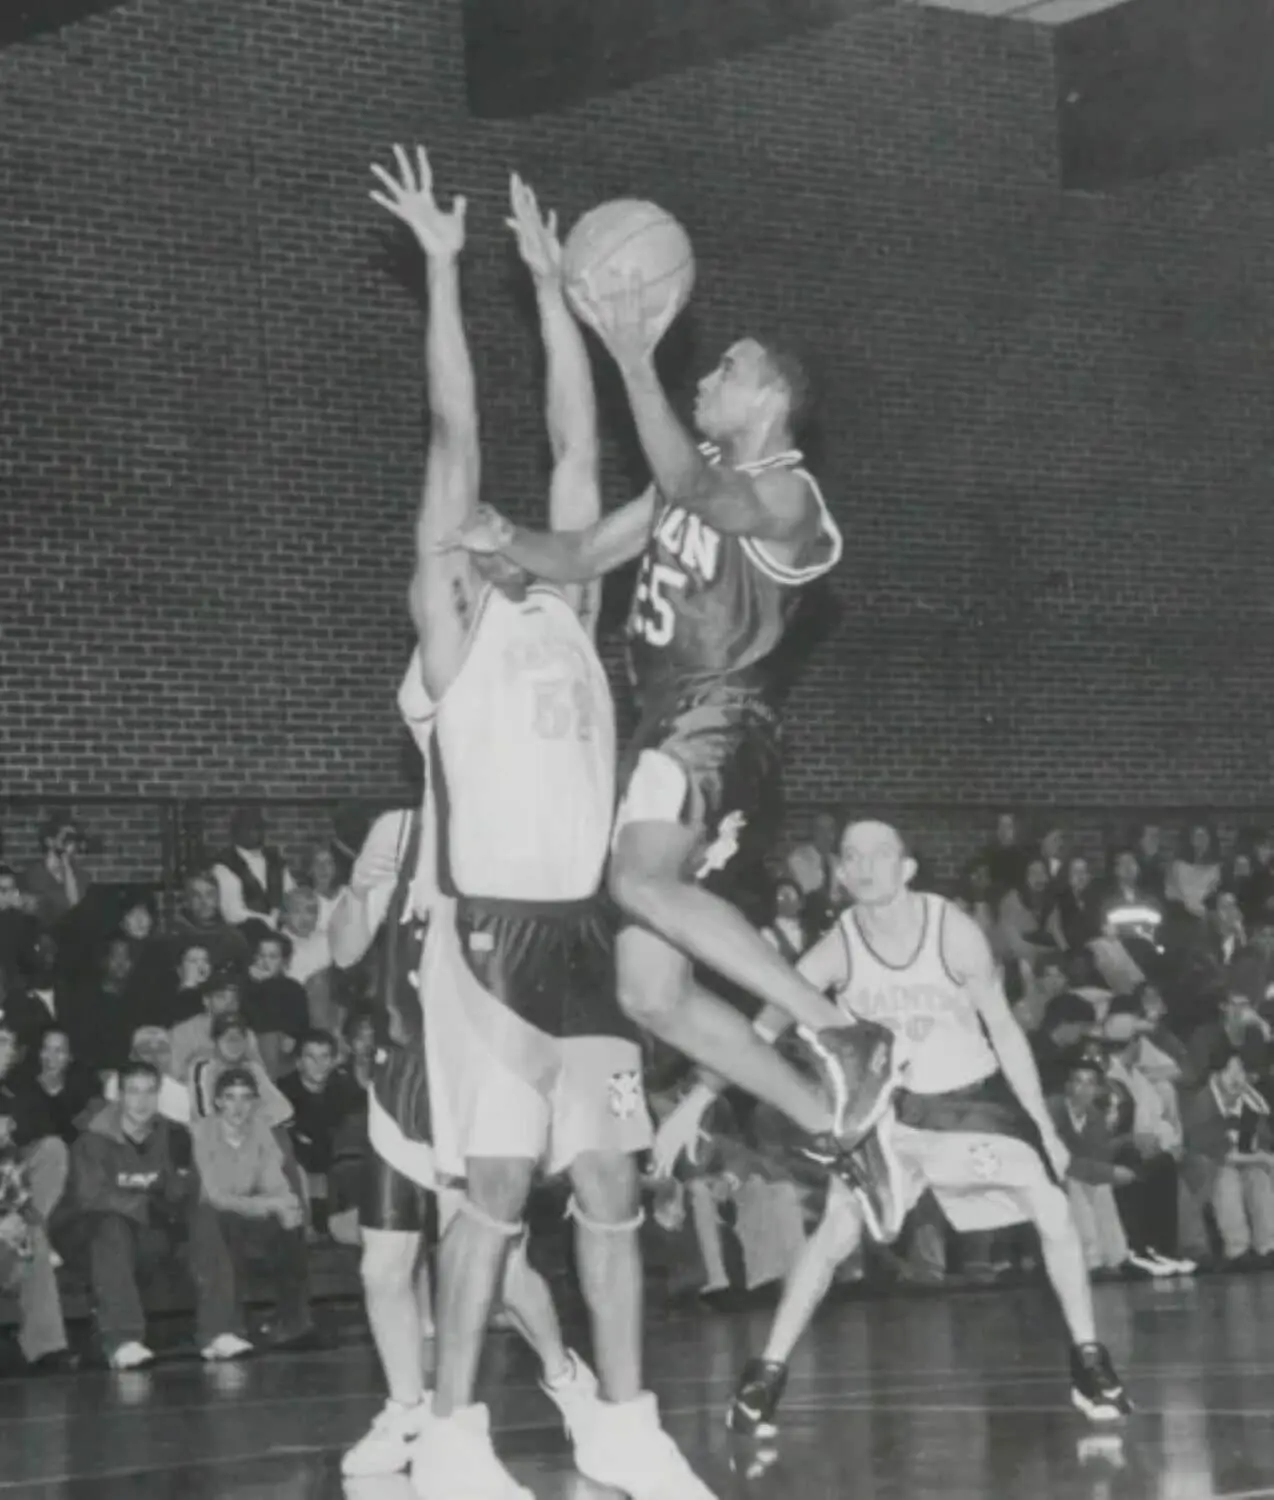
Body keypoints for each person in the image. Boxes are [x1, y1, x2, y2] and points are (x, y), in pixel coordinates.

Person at [369, 148, 711, 1500]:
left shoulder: (565, 612)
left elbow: (578, 447)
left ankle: (622, 1423)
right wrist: (449, 277)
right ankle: (455, 1438)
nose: (503, 526)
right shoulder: (451, 635)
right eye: (481, 527)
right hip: (486, 942)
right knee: (498, 1195)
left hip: (577, 934)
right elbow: (456, 439)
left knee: (616, 1192)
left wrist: (553, 294)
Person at [453, 222, 889, 1175]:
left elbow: (693, 482)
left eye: (724, 369)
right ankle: (838, 1123)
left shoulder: (791, 499)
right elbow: (576, 556)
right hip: (669, 725)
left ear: (769, 396)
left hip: (717, 715)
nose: (705, 380)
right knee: (651, 992)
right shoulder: (678, 489)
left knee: (638, 882)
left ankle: (836, 1031)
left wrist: (629, 353)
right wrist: (505, 537)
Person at [656, 820, 1131, 1434]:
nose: (864, 865)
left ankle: (1089, 1361)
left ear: (906, 869)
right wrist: (695, 1102)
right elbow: (762, 1029)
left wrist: (1044, 1124)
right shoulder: (837, 947)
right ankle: (764, 1376)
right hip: (890, 1116)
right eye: (851, 855)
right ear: (840, 872)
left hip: (970, 1105)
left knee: (1052, 1204)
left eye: (880, 854)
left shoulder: (952, 931)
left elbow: (1005, 1028)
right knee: (833, 1233)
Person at [67, 1060, 191, 1370]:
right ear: (119, 1096)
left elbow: (181, 1192)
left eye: (150, 1092)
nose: (142, 1101)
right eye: (133, 1092)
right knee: (111, 1225)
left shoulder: (174, 1135)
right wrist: (144, 1206)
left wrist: (179, 1185)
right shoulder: (92, 1139)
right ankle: (122, 1339)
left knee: (204, 1216)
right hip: (88, 1241)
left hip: (148, 1235)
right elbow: (90, 1196)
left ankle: (219, 1330)